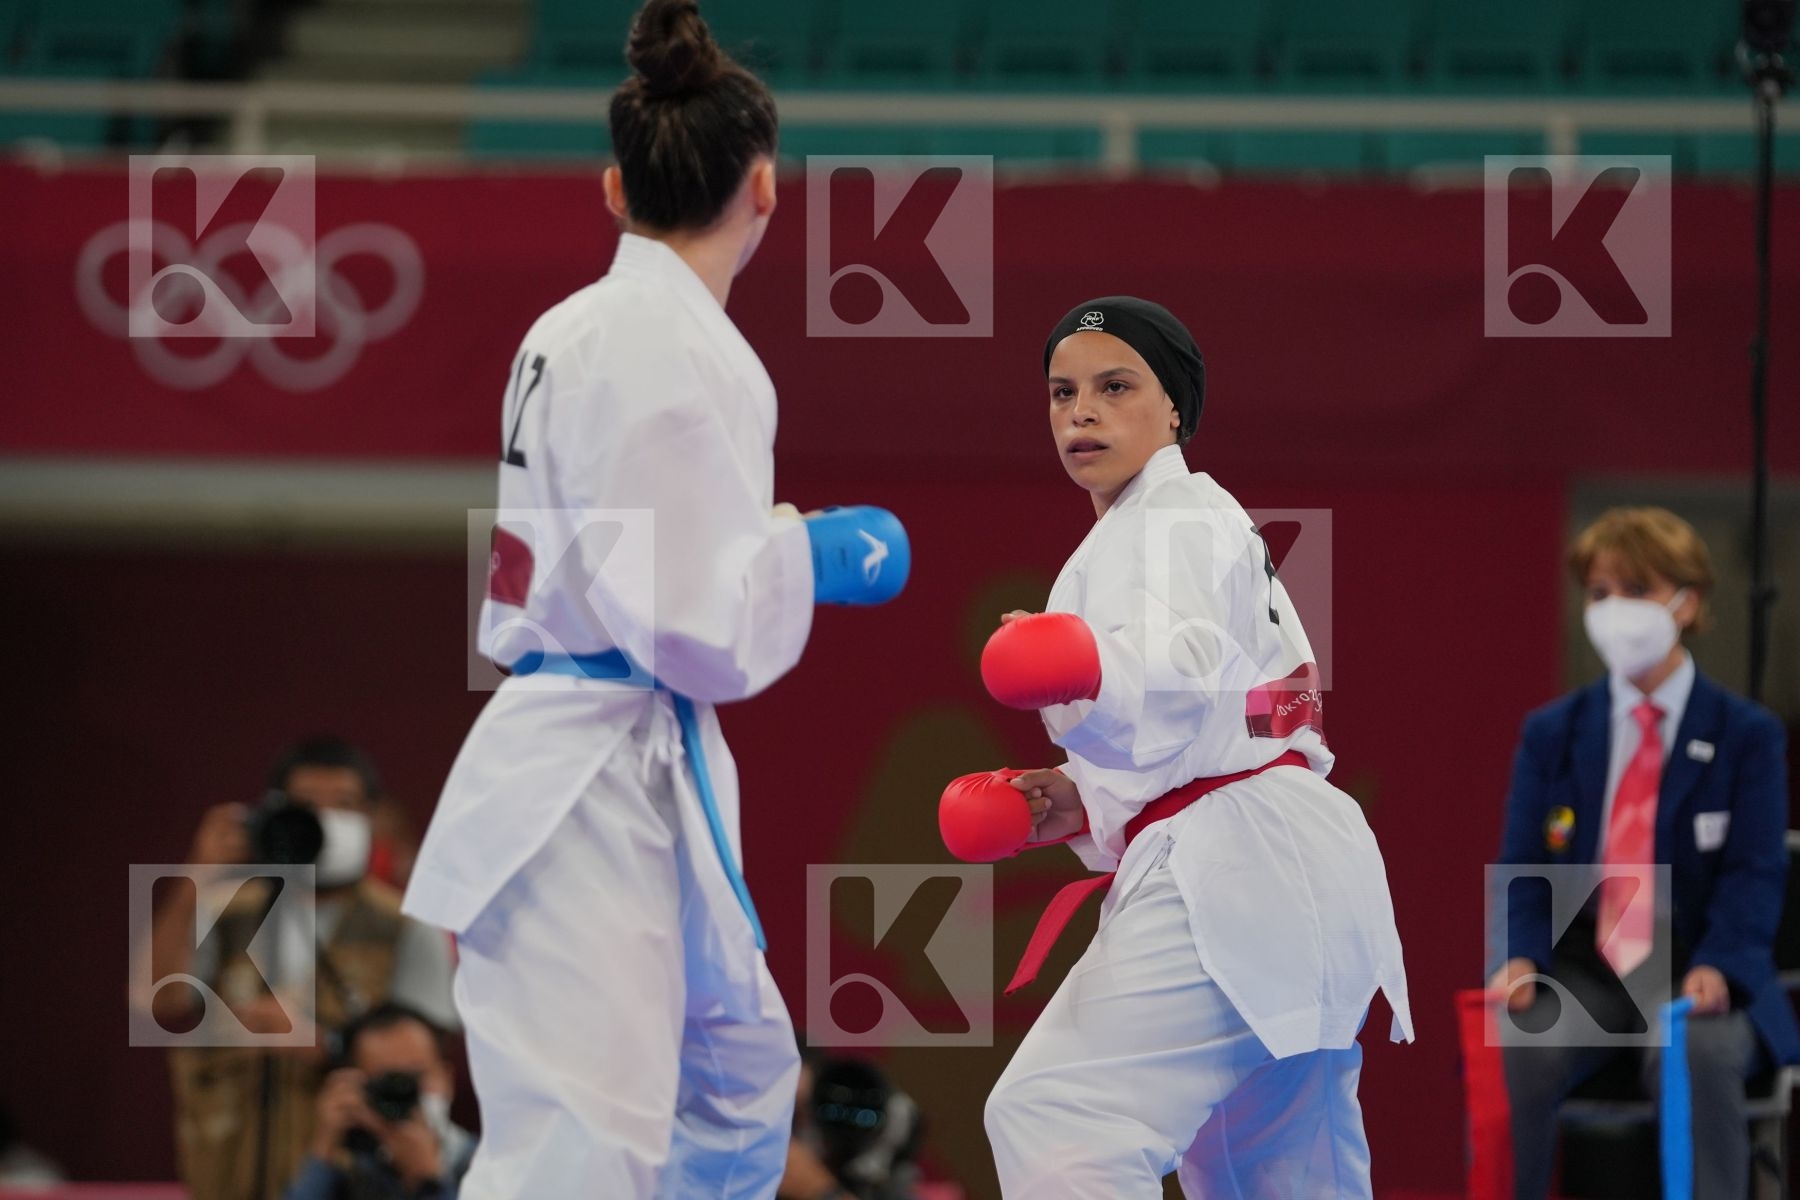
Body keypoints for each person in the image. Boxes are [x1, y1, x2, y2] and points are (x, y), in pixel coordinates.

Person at [400, 2, 907, 1197]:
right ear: (767, 190)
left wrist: (781, 548)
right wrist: (808, 555)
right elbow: (697, 629)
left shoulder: (577, 327)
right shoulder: (675, 349)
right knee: (583, 1140)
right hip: (586, 773)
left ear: (615, 191)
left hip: (611, 750)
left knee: (735, 1087)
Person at [939, 296, 1412, 1198]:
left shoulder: (1178, 516)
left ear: (1175, 412)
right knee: (1272, 1177)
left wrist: (1083, 663)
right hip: (1294, 860)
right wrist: (1082, 795)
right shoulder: (1184, 524)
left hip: (1239, 866)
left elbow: (1183, 659)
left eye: (1116, 386)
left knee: (1058, 1116)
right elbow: (1219, 714)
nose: (1081, 411)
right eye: (1061, 391)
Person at [1489, 506, 1798, 1200]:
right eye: (1600, 594)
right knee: (1521, 1044)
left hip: (1699, 973)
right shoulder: (1553, 733)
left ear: (1687, 602)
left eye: (1636, 591)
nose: (1614, 611)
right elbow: (1521, 866)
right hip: (1588, 971)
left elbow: (1755, 871)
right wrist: (1518, 957)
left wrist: (1720, 963)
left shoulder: (1746, 736)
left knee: (1694, 1055)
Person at [148, 735, 457, 1200]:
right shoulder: (229, 910)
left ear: (371, 817)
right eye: (306, 804)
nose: (325, 818)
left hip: (355, 1182)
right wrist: (198, 871)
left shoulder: (406, 928)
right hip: (228, 1174)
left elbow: (423, 1072)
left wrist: (322, 1044)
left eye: (345, 804)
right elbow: (160, 998)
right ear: (274, 814)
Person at [285, 1004, 475, 1200]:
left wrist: (429, 1182)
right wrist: (324, 1148)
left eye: (414, 1078)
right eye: (387, 1083)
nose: (402, 1094)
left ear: (446, 1078)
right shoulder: (357, 1176)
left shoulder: (490, 1163)